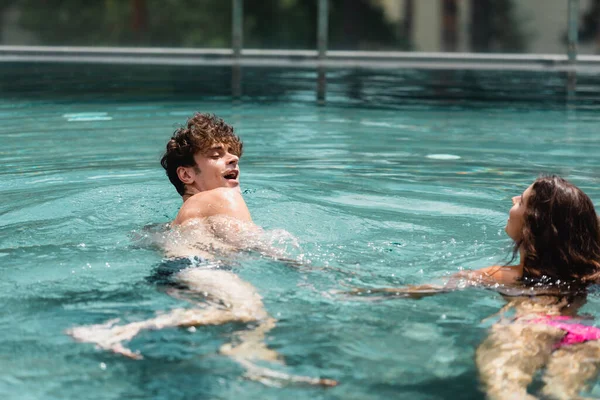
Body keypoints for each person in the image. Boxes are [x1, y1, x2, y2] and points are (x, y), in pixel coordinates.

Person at [68, 113, 336, 387]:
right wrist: (317, 272)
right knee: (248, 311)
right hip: (201, 269)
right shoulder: (224, 196)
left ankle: (247, 358)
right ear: (186, 174)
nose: (233, 159)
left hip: (173, 274)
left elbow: (149, 241)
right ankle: (117, 330)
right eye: (216, 154)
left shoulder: (181, 218)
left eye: (232, 153)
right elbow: (256, 246)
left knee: (245, 319)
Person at [349, 175, 600, 399]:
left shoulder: (498, 275)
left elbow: (423, 290)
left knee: (507, 390)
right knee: (565, 393)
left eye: (520, 202)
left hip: (529, 331)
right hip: (586, 334)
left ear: (531, 225)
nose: (513, 200)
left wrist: (362, 293)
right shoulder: (588, 273)